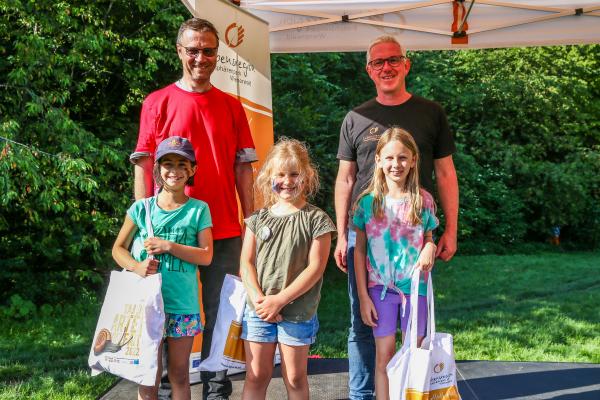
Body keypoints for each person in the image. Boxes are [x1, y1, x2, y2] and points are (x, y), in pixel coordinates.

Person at [130, 18, 257, 400]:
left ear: (217, 53)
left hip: (223, 230)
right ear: (179, 51)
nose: (201, 57)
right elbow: (144, 165)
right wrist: (142, 223)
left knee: (222, 317)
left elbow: (243, 167)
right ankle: (170, 389)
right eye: (193, 50)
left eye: (208, 50)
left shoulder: (232, 106)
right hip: (166, 234)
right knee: (166, 315)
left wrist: (251, 220)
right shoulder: (156, 102)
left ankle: (217, 392)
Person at [334, 35, 459, 399]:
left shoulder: (430, 112)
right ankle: (363, 396)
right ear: (368, 70)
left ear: (406, 64)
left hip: (413, 237)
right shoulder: (355, 117)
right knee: (363, 324)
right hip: (364, 234)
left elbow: (447, 174)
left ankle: (412, 392)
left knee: (415, 333)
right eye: (377, 63)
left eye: (392, 61)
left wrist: (448, 230)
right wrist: (342, 234)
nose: (385, 68)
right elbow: (345, 179)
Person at [113, 136, 214, 400]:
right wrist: (136, 267)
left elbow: (206, 256)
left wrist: (168, 245)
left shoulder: (199, 210)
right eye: (168, 164)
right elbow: (117, 249)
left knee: (180, 375)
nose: (175, 171)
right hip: (145, 306)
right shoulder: (141, 208)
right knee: (148, 375)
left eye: (183, 164)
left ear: (192, 169)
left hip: (182, 305)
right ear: (157, 169)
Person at [239, 139, 336, 400]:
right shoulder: (257, 219)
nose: (287, 181)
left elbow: (315, 268)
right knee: (256, 375)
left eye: (294, 174)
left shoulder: (317, 220)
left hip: (297, 312)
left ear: (307, 176)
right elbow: (246, 263)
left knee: (294, 378)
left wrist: (279, 301)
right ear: (269, 176)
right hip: (259, 310)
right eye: (280, 175)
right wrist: (260, 300)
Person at [353, 128, 438, 400]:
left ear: (413, 160)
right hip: (380, 291)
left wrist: (430, 247)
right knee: (385, 358)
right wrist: (364, 296)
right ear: (378, 160)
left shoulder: (423, 201)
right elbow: (359, 251)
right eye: (389, 158)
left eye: (403, 158)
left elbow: (428, 237)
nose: (396, 164)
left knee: (415, 353)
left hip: (415, 290)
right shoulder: (367, 204)